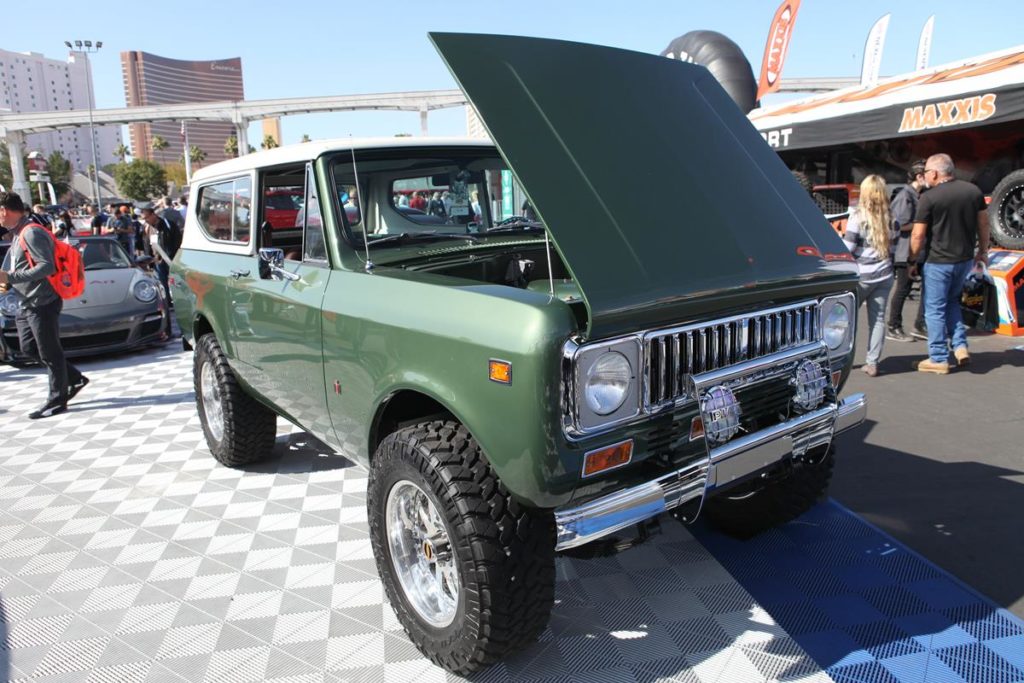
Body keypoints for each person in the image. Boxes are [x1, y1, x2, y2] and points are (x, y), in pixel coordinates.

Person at [0, 192, 88, 418]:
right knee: (29, 347)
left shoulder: (31, 232)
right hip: (26, 302)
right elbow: (23, 267)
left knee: (49, 351)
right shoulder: (19, 233)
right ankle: (74, 378)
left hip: (43, 301)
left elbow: (47, 267)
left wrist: (9, 278)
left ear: (4, 210)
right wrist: (9, 283)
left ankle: (57, 399)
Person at [910, 153, 989, 374]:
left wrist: (912, 260)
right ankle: (961, 347)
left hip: (938, 262)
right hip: (963, 260)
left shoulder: (929, 197)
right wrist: (982, 251)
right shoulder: (973, 192)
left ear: (934, 173)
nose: (924, 175)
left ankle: (938, 358)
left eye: (926, 171)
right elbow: (984, 224)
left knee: (934, 309)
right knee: (953, 302)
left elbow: (917, 235)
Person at [842, 175, 897, 377]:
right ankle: (872, 363)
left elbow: (848, 249)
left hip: (861, 277)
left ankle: (842, 361)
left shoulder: (857, 217)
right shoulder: (892, 219)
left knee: (846, 320)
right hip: (884, 274)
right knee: (878, 320)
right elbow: (894, 250)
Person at [887, 160, 929, 342]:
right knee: (903, 289)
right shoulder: (905, 196)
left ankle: (920, 324)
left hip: (918, 251)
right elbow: (898, 225)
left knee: (925, 289)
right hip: (904, 252)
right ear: (919, 176)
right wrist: (922, 225)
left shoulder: (920, 195)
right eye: (928, 174)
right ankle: (893, 326)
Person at [139, 202, 182, 302]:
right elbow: (147, 244)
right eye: (143, 219)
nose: (145, 221)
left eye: (146, 218)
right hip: (157, 262)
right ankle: (167, 302)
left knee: (176, 282)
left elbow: (177, 241)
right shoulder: (147, 228)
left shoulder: (168, 225)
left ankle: (179, 300)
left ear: (153, 215)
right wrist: (148, 259)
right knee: (162, 284)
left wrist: (173, 256)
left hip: (171, 260)